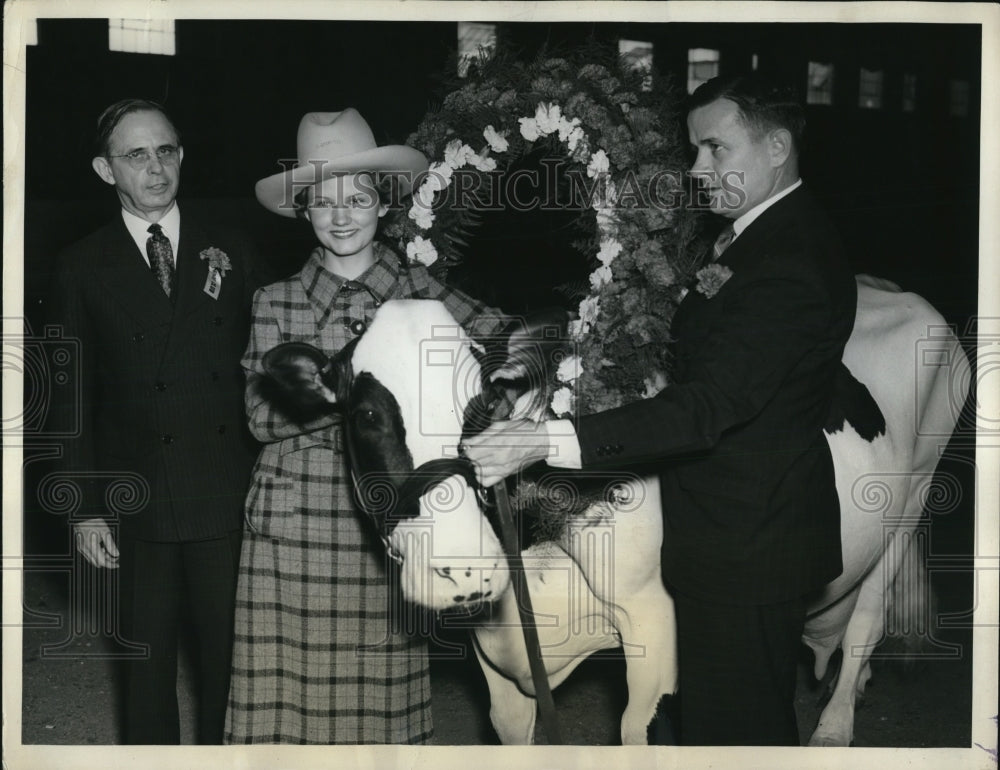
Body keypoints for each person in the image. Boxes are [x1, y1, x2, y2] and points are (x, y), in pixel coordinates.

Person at [463, 74, 856, 746]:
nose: (699, 170)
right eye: (693, 152)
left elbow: (708, 406)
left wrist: (547, 440)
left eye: (715, 150)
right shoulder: (752, 237)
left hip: (750, 544)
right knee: (713, 724)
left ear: (777, 147)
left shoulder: (789, 261)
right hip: (726, 532)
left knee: (739, 735)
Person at [224, 109, 506, 744]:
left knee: (375, 697)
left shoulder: (418, 290)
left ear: (385, 204)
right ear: (305, 213)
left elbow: (499, 337)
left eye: (358, 197)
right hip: (296, 525)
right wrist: (357, 388)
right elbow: (259, 417)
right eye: (324, 203)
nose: (342, 215)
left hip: (395, 513)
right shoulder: (276, 300)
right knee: (286, 699)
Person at [48, 98, 259, 743]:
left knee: (234, 667)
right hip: (136, 500)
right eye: (135, 155)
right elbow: (68, 397)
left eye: (166, 150)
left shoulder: (234, 245)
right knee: (147, 668)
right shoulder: (79, 267)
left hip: (226, 494)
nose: (156, 167)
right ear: (105, 170)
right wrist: (84, 506)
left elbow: (274, 362)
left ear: (182, 156)